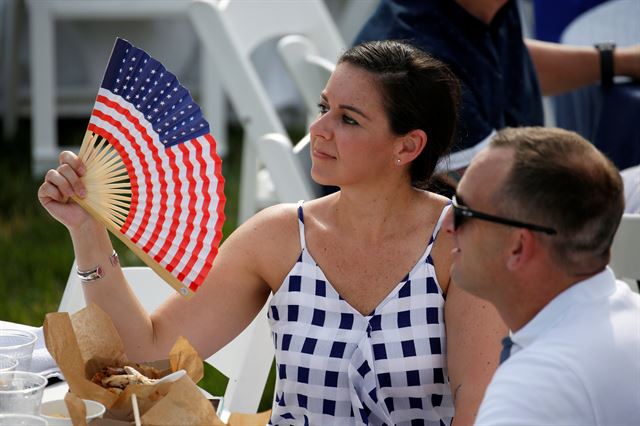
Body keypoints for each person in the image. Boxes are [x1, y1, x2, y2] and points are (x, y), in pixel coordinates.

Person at [38, 40, 506, 425]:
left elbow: (480, 412)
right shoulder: (279, 236)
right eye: (324, 107)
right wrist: (88, 233)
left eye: (348, 118)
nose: (319, 128)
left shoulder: (460, 244)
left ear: (408, 145)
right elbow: (147, 355)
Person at [442, 126, 640, 424]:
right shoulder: (627, 316)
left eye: (463, 212)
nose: (446, 223)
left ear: (518, 246)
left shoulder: (534, 391)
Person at [354, 0, 640, 188]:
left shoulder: (478, 9)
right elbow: (497, 201)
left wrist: (620, 61)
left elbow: (508, 65)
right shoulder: (427, 68)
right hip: (471, 254)